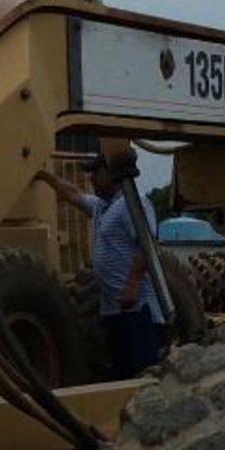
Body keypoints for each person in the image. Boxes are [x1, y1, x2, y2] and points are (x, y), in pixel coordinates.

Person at [54, 151, 164, 377]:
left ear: (111, 172)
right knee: (123, 373)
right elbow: (73, 194)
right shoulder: (101, 207)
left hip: (137, 310)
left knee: (143, 374)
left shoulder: (133, 203)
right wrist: (44, 175)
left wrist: (131, 284)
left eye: (96, 172)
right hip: (114, 310)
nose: (91, 178)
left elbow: (148, 245)